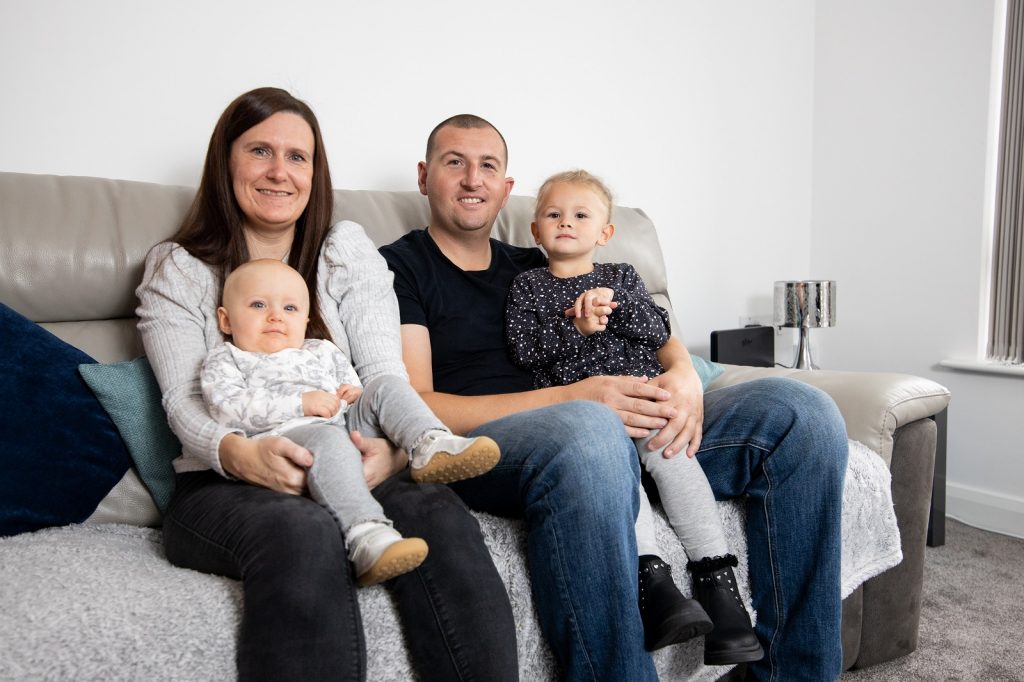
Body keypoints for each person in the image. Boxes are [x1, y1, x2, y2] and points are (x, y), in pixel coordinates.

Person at [379, 114, 849, 681]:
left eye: (488, 166)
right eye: (455, 162)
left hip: (626, 421)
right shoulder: (400, 267)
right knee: (590, 429)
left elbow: (654, 329)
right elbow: (418, 403)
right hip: (499, 442)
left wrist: (681, 377)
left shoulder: (541, 259)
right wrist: (577, 398)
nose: (472, 179)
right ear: (425, 176)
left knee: (804, 415)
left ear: (507, 190)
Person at [137, 88, 518, 682]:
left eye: (298, 157)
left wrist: (389, 454)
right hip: (218, 482)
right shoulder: (179, 269)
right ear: (225, 162)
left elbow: (381, 376)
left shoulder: (345, 252)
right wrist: (243, 456)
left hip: (346, 450)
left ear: (315, 172)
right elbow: (184, 405)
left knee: (440, 514)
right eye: (259, 151)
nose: (279, 172)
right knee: (305, 528)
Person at [505, 168, 763, 664]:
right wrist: (576, 328)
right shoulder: (528, 287)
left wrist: (614, 307)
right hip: (584, 416)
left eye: (580, 215)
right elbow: (524, 351)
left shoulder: (620, 276)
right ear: (535, 231)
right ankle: (654, 582)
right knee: (615, 474)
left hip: (643, 399)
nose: (566, 223)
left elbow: (656, 328)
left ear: (604, 233)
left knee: (674, 457)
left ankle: (718, 584)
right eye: (553, 215)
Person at [201, 258, 500, 586]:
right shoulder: (226, 359)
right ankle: (365, 534)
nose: (275, 316)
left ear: (305, 320)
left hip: (347, 427)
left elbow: (352, 386)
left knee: (386, 386)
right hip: (290, 438)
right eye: (258, 305)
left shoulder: (321, 350)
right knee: (329, 441)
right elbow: (227, 409)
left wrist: (353, 393)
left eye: (290, 308)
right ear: (226, 320)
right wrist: (300, 403)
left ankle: (429, 443)